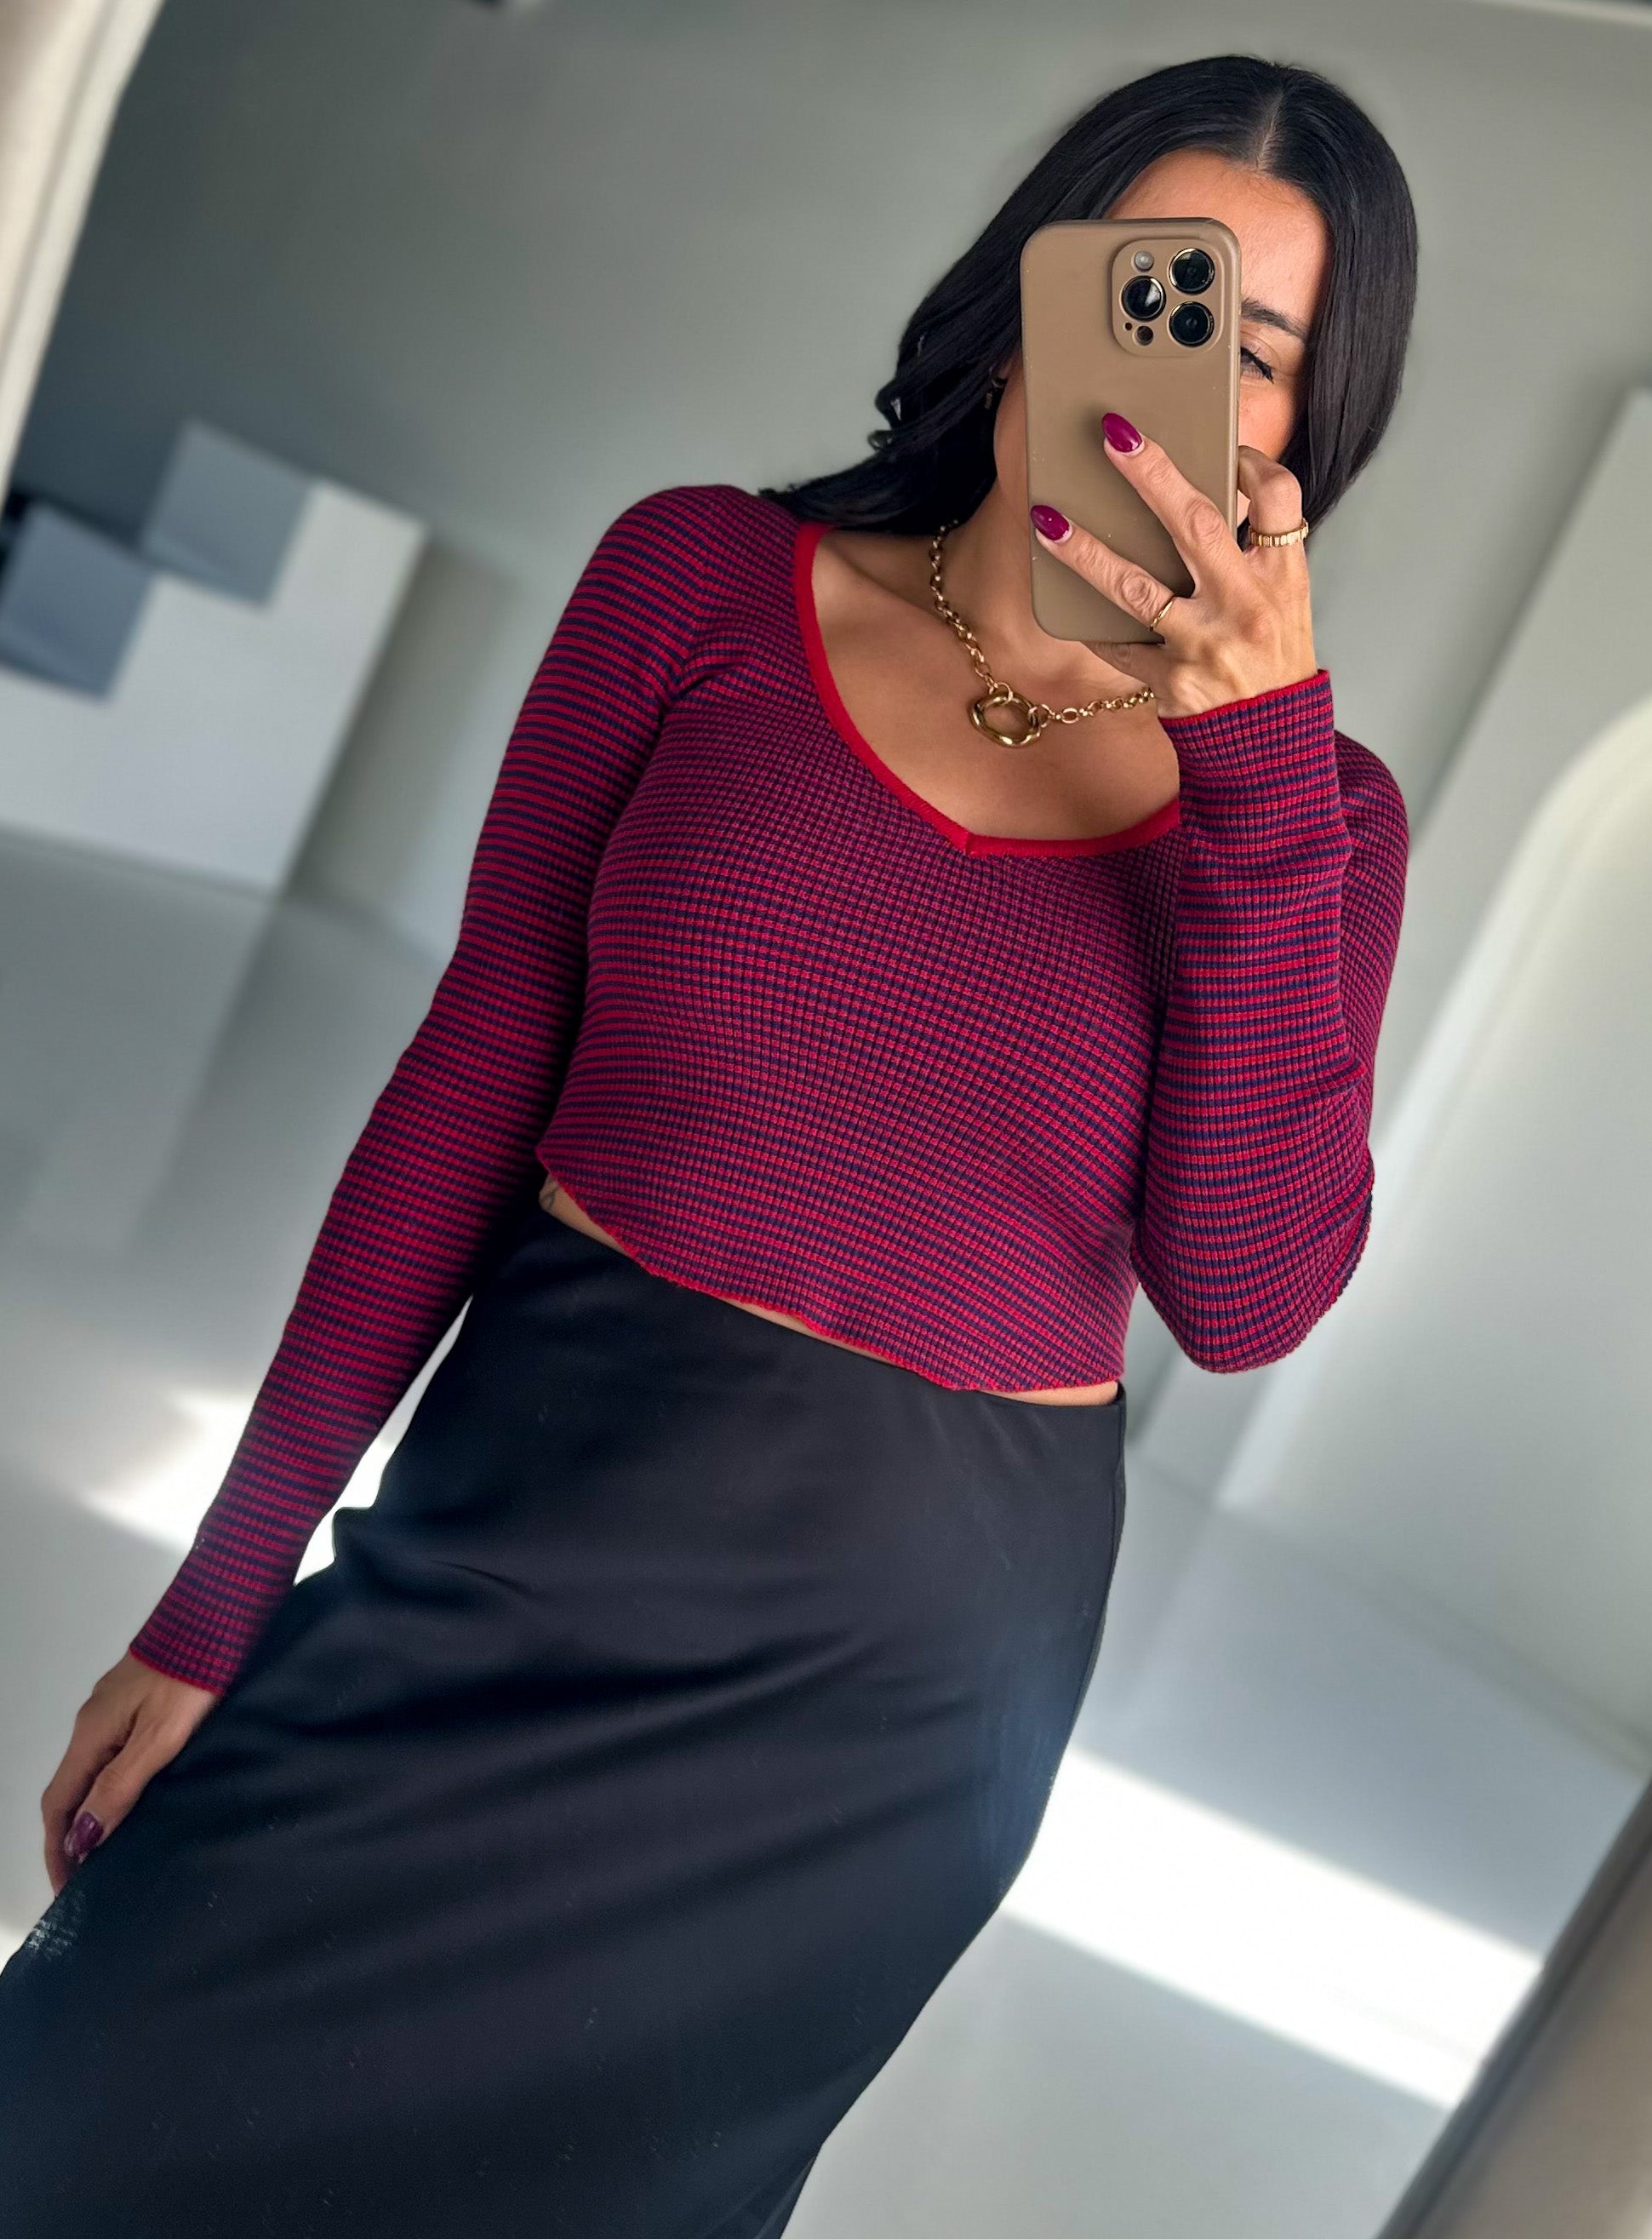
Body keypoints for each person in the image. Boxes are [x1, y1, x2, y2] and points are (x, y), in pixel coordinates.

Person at [0, 50, 1414, 2239]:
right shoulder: (699, 583)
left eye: (1250, 342)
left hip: (878, 1722)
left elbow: (1241, 1298)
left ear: (1307, 426)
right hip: (524, 1528)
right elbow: (466, 1084)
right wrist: (218, 1595)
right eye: (1146, 289)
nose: (1174, 375)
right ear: (1030, 287)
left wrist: (1252, 770)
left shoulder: (1318, 821)